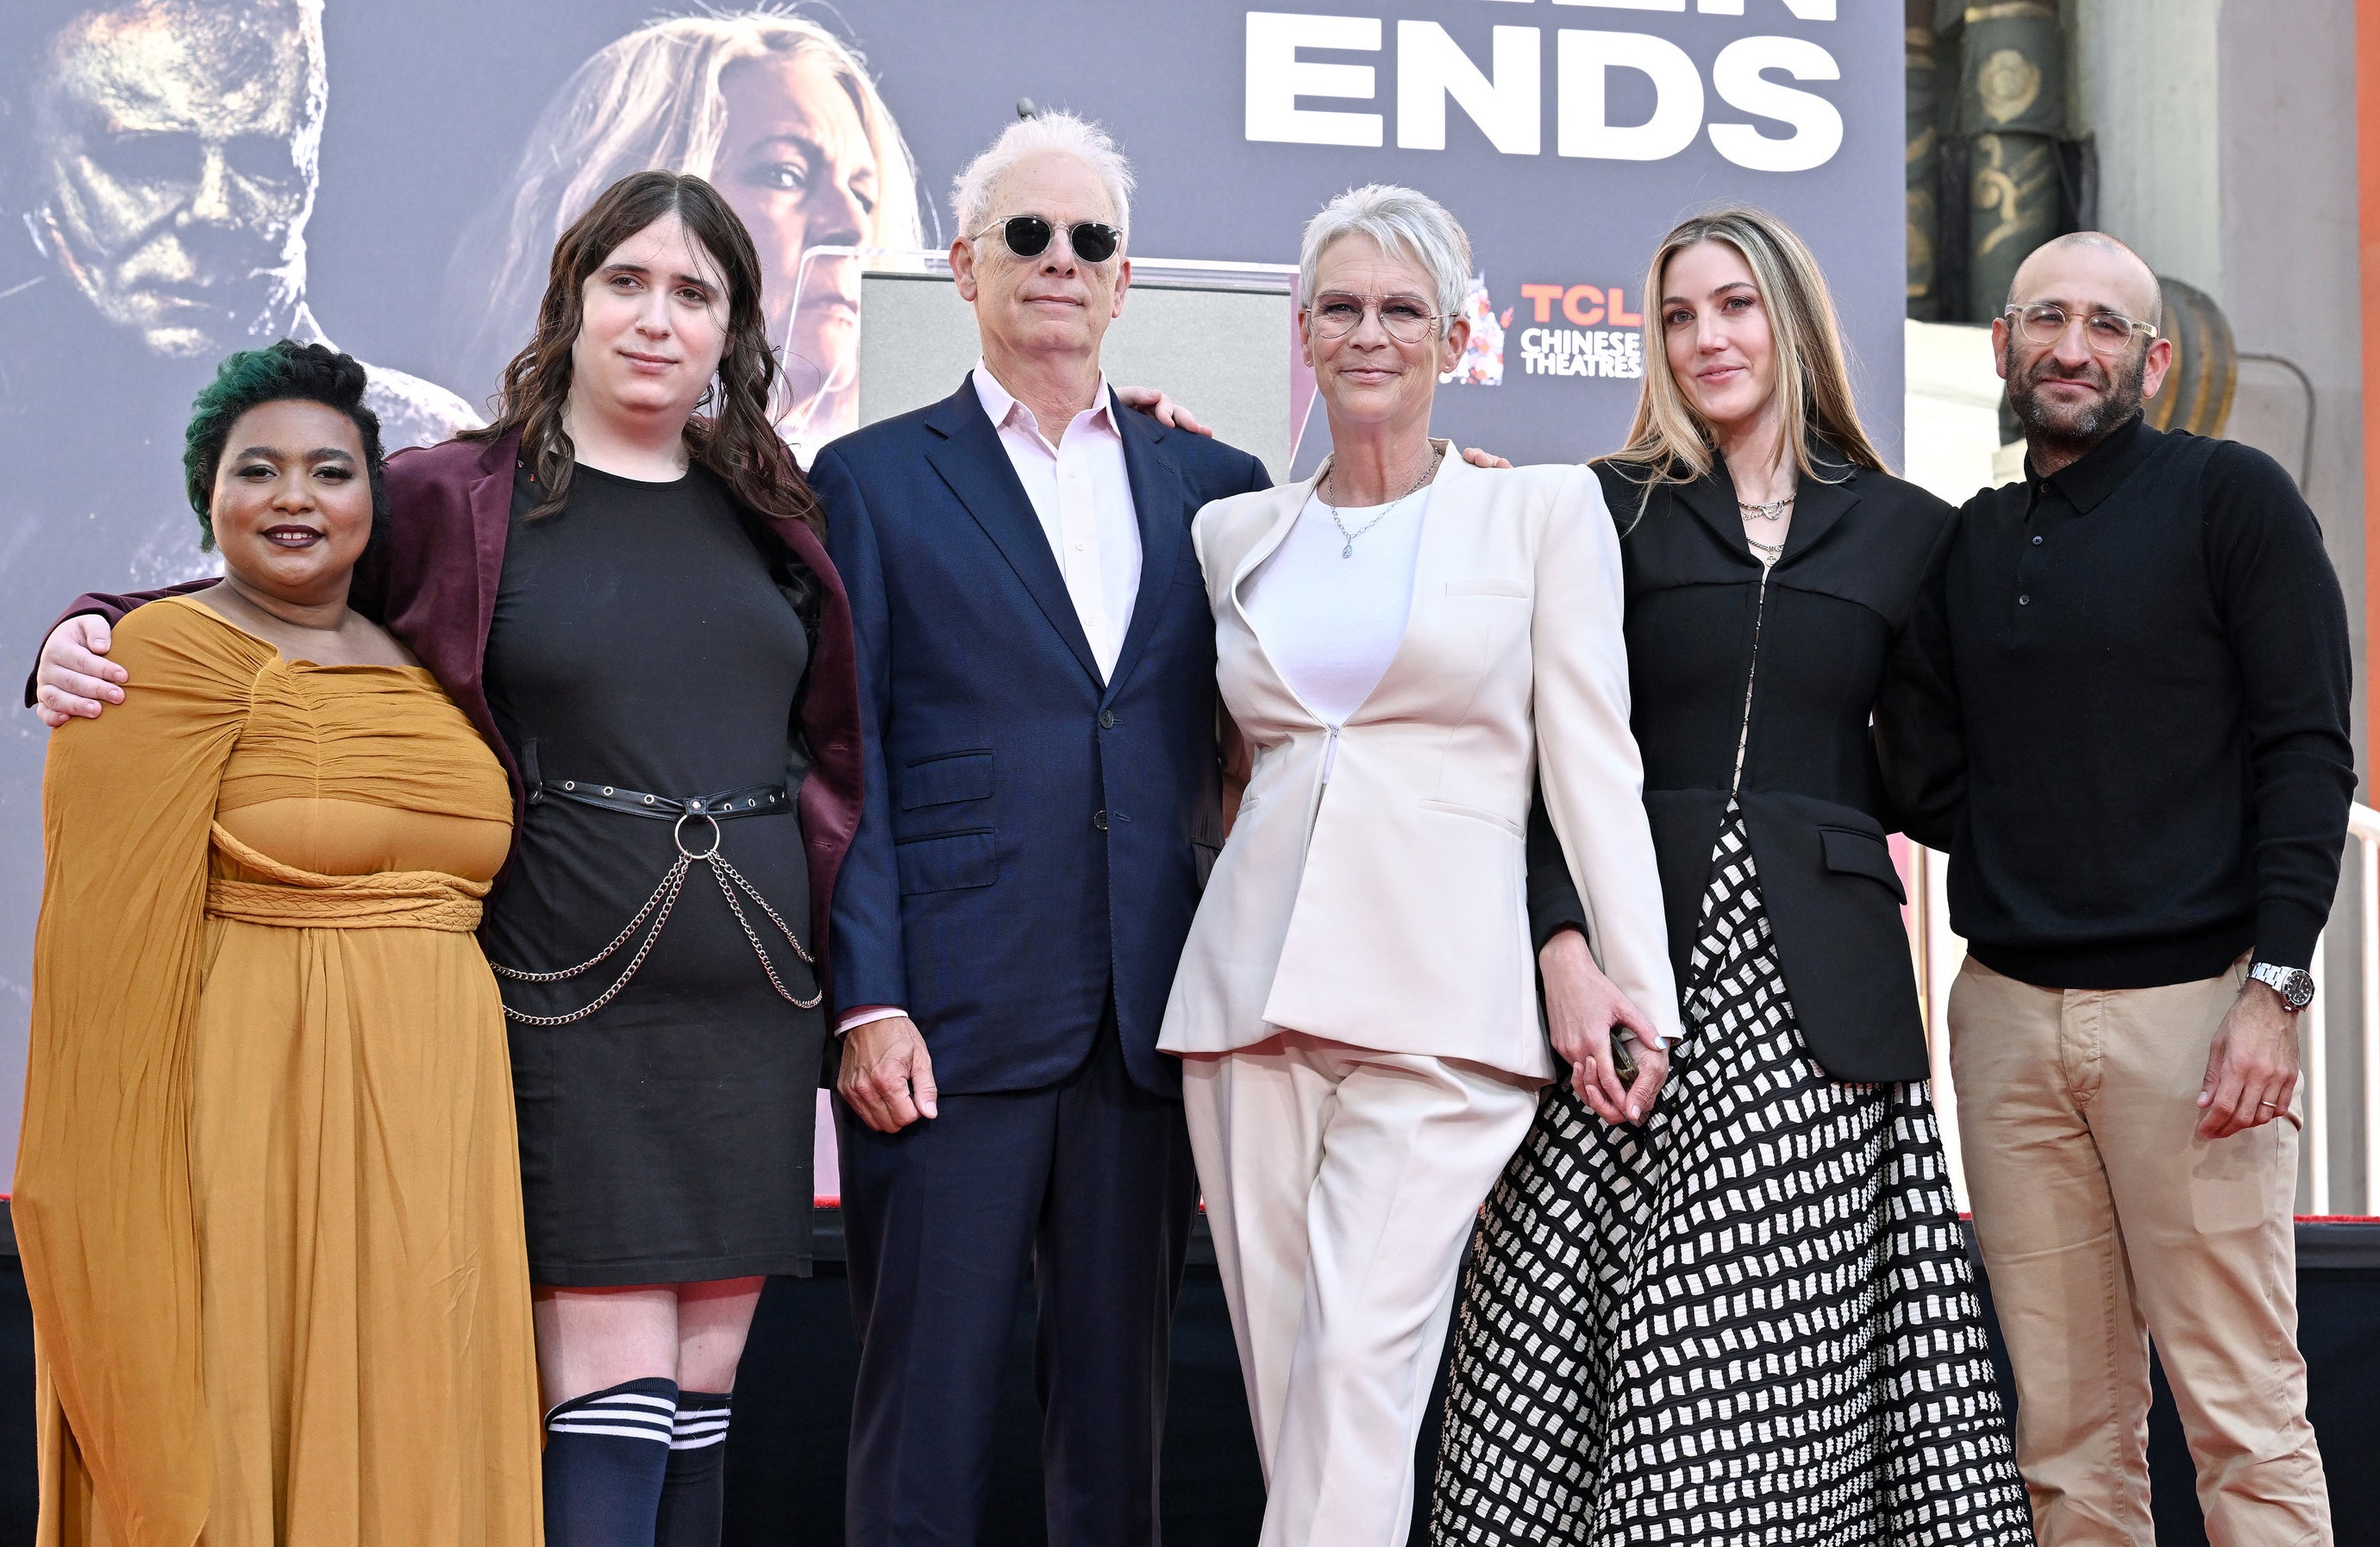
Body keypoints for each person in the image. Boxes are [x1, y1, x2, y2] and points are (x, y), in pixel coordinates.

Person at [32, 171, 863, 1547]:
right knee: (607, 1397)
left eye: (694, 293)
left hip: (750, 1016)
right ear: (571, 300)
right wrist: (93, 618)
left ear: (733, 329)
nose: (657, 319)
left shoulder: (773, 507)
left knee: (703, 1402)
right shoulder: (451, 493)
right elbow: (276, 564)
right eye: (627, 283)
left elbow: (832, 747)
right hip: (562, 1006)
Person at [1434, 208, 2035, 1546]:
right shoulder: (1598, 506)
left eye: (1733, 305)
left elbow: (1936, 776)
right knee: (1547, 1358)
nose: (1706, 337)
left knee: (1754, 1377)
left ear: (1790, 320)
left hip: (1820, 1008)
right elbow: (1532, 758)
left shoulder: (1908, 531)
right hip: (1622, 993)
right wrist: (1560, 946)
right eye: (1676, 315)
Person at [1157, 183, 1678, 1547]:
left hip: (1444, 1008)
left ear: (1455, 337)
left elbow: (1592, 767)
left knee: (1356, 1370)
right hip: (1248, 1001)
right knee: (1295, 1397)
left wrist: (1640, 988)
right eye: (1341, 307)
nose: (1369, 334)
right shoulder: (1232, 536)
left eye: (1402, 310)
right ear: (1302, 331)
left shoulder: (1539, 517)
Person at [807, 110, 1273, 1547]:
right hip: (941, 1020)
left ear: (1124, 281)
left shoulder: (1215, 488)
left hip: (1144, 1022)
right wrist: (865, 996)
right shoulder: (870, 480)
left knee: (1116, 1440)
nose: (1057, 261)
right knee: (923, 1428)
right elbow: (844, 757)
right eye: (1025, 234)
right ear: (963, 266)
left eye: (1087, 241)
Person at [16, 341, 538, 1544]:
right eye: (259, 469)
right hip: (251, 1130)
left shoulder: (432, 670)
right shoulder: (156, 662)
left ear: (375, 498)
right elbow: (98, 989)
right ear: (209, 492)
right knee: (257, 1419)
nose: (296, 496)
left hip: (441, 1133)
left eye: (330, 470)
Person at [1891, 231, 2352, 1545]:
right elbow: (1922, 766)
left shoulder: (2230, 498)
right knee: (2062, 1436)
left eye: (2104, 325)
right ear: (2004, 344)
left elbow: (2306, 748)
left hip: (2197, 1018)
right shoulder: (1969, 542)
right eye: (2047, 318)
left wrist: (2273, 985)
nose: (2071, 347)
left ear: (2149, 359)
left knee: (2244, 1415)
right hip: (2006, 1021)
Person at [0, 0, 480, 1102]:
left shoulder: (424, 455)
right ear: (22, 155)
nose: (216, 212)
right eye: (148, 156)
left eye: (261, 158)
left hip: (335, 1038)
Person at [439, 10, 920, 460]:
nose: (853, 227)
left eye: (863, 195)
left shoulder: (844, 498)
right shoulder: (441, 476)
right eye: (785, 174)